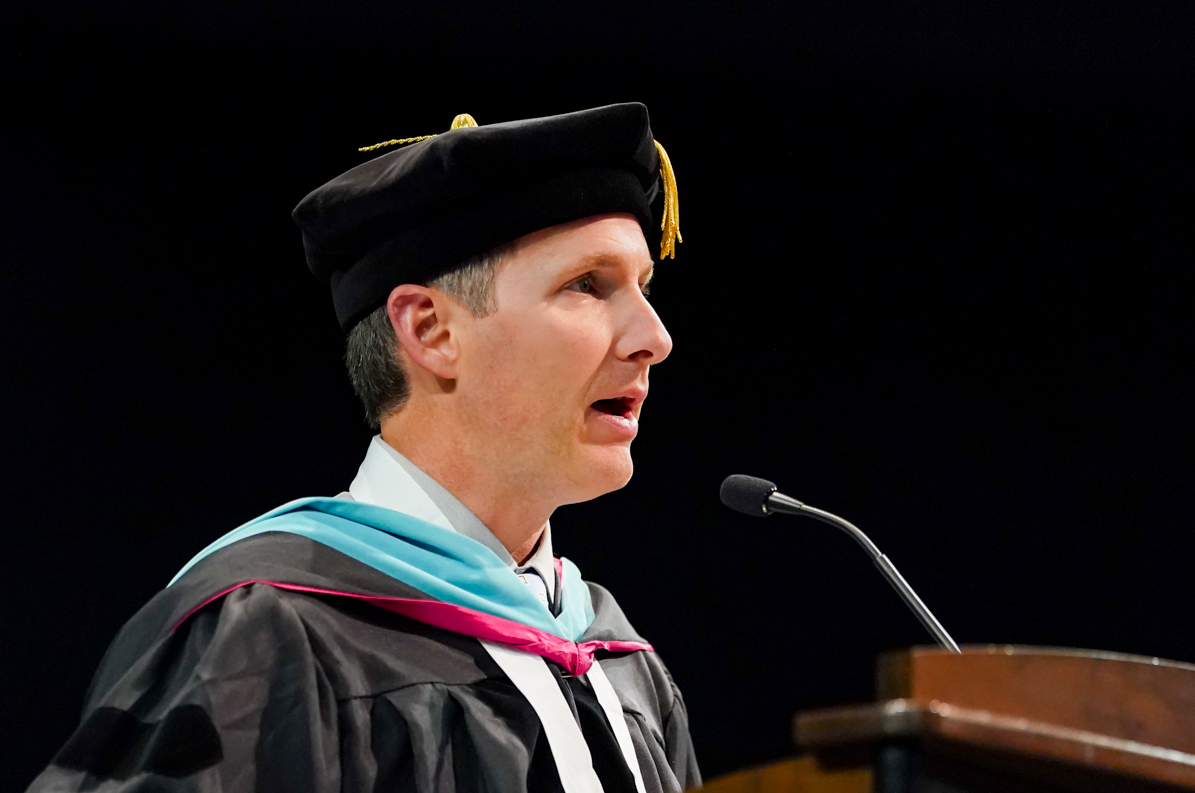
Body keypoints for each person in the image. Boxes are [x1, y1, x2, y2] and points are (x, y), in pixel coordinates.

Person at [28, 103, 699, 793]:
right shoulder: (266, 635)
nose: (655, 337)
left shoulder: (618, 665)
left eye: (643, 287)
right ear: (431, 331)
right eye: (588, 285)